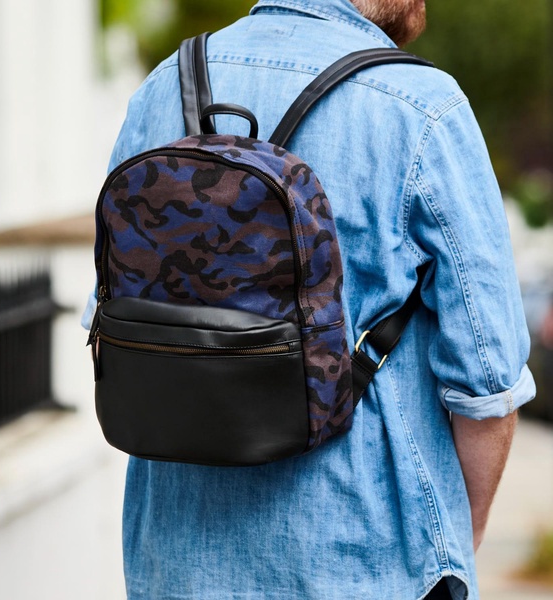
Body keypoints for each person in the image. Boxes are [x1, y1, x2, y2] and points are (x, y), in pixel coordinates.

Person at [83, 1, 536, 598]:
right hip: (367, 562)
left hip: (174, 562)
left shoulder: (163, 86)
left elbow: (110, 322)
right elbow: (487, 380)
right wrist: (458, 535)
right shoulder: (421, 106)